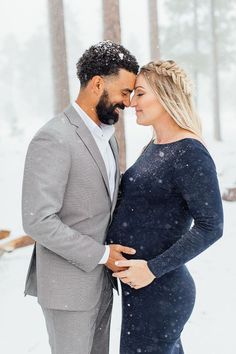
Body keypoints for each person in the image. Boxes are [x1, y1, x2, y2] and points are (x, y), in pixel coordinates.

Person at [22, 40, 139, 354]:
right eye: (125, 92)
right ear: (97, 84)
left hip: (101, 285)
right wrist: (101, 255)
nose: (128, 102)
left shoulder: (107, 139)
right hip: (67, 291)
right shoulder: (54, 137)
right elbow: (38, 220)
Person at [107, 60, 224, 354]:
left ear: (166, 93)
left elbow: (212, 226)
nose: (132, 102)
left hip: (161, 291)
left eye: (141, 93)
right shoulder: (154, 147)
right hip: (141, 293)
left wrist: (152, 270)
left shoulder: (190, 152)